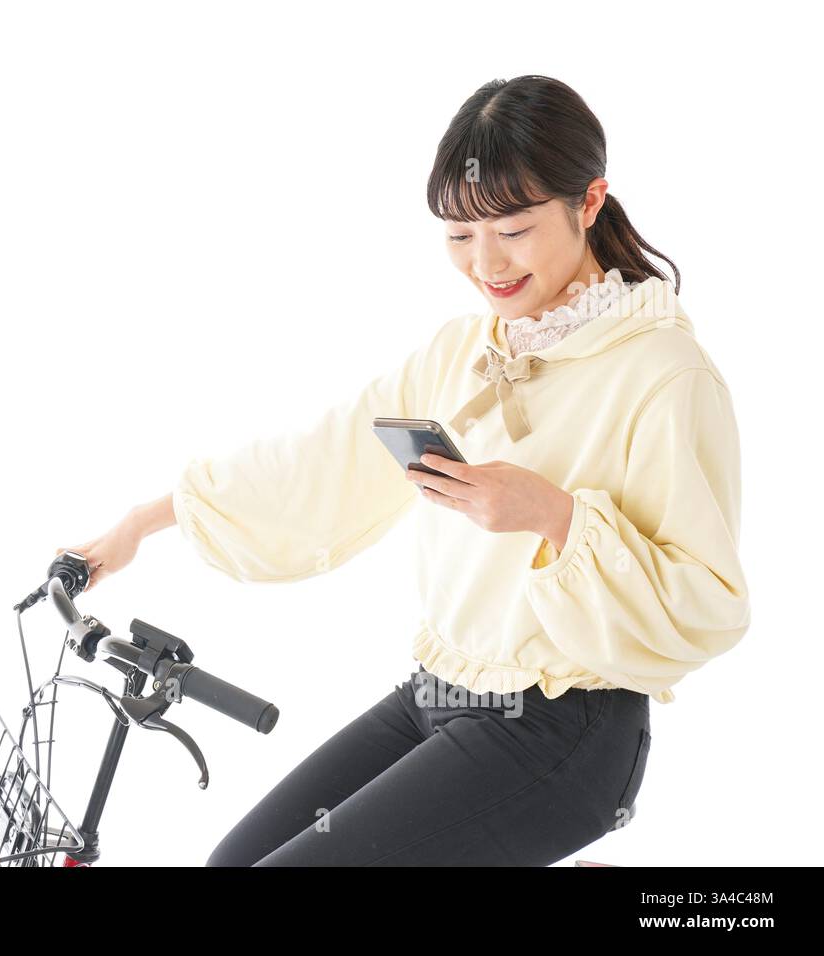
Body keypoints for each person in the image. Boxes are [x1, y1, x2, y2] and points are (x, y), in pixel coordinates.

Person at [55, 75, 750, 866]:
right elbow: (322, 458)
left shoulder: (665, 373)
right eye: (459, 237)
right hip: (438, 693)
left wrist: (557, 518)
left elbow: (709, 602)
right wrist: (143, 523)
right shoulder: (465, 349)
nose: (485, 263)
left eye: (513, 231)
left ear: (589, 203)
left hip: (566, 727)